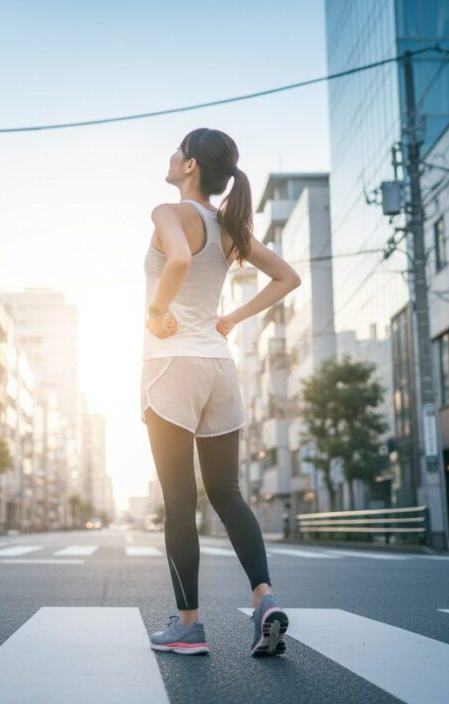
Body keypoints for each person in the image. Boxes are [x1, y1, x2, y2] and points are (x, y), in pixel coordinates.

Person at [143, 128, 301, 657]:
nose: (169, 156)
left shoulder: (169, 212)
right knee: (227, 493)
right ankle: (264, 598)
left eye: (175, 150)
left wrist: (157, 312)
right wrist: (230, 317)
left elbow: (181, 261)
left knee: (180, 499)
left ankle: (188, 625)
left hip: (171, 367)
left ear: (189, 166)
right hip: (218, 365)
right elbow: (286, 277)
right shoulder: (230, 227)